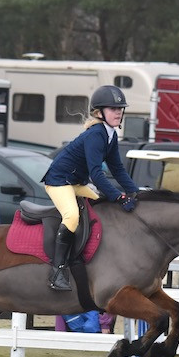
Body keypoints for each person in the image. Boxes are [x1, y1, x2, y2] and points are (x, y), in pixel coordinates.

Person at [41, 85, 140, 291]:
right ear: (99, 112)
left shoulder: (110, 135)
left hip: (76, 183)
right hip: (59, 181)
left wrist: (135, 192)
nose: (118, 112)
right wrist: (118, 197)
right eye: (113, 109)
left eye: (120, 108)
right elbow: (96, 173)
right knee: (72, 217)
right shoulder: (96, 134)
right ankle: (57, 271)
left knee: (100, 206)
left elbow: (118, 169)